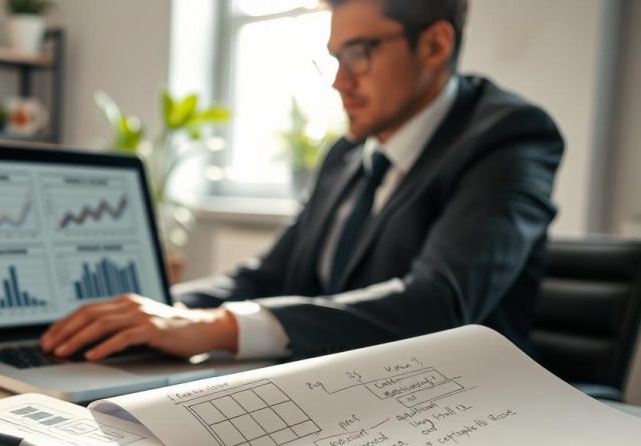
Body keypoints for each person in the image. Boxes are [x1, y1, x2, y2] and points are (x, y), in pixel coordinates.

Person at [41, 0, 564, 364]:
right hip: (342, 392)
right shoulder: (348, 153)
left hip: (470, 409)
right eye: (334, 58)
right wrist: (153, 307)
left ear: (434, 45)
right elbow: (266, 276)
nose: (339, 81)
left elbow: (440, 305)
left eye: (359, 53)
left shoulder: (509, 138)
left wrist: (220, 326)